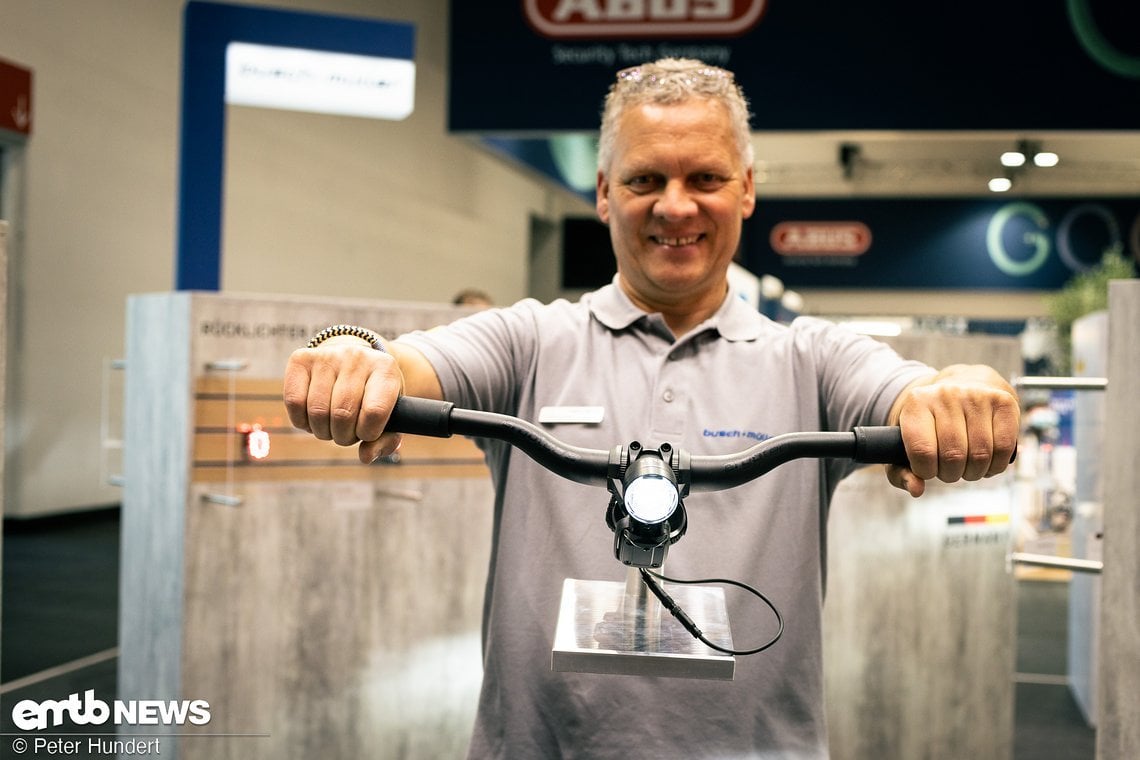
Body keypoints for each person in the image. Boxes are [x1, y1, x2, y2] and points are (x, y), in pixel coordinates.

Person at [284, 58, 1019, 759]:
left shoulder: (811, 359)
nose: (676, 205)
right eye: (645, 179)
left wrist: (956, 385)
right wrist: (350, 351)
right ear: (603, 191)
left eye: (705, 177)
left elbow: (908, 387)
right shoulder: (531, 340)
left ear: (747, 189)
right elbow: (407, 360)